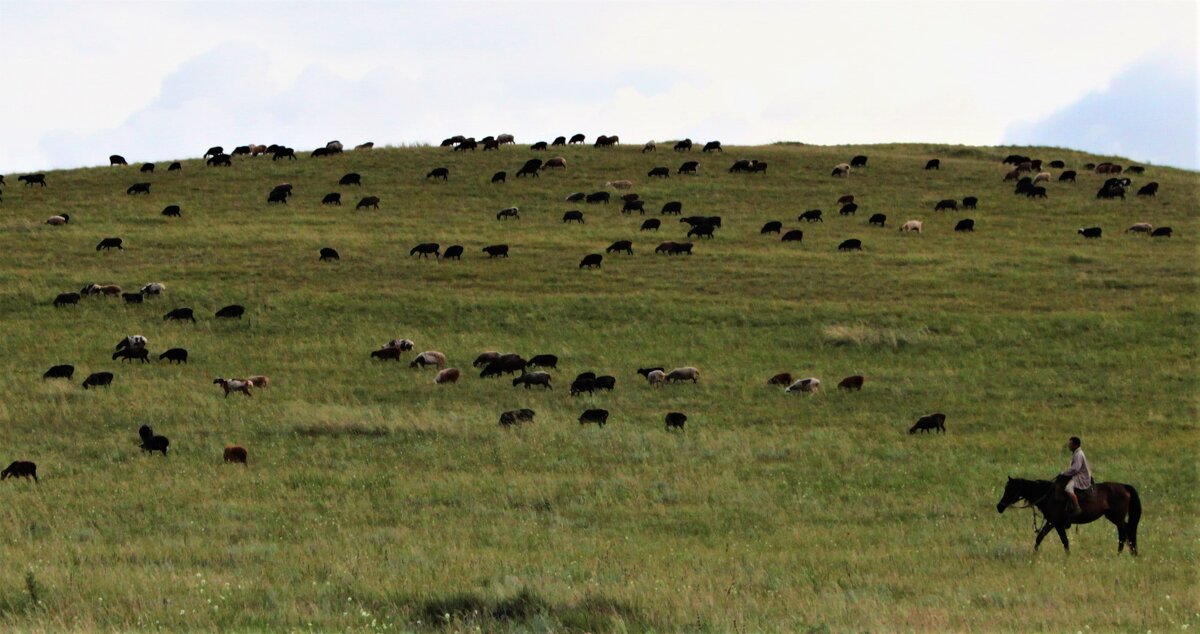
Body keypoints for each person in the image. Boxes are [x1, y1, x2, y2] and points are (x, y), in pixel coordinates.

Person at [1060, 436, 1092, 515]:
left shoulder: (1078, 454)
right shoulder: (1076, 453)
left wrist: (1064, 473)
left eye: (1070, 444)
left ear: (1075, 445)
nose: (1069, 446)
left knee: (1068, 489)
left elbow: (1075, 469)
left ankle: (1077, 507)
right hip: (1078, 474)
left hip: (1081, 477)